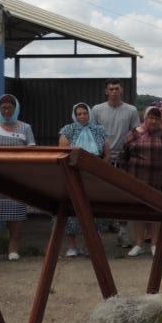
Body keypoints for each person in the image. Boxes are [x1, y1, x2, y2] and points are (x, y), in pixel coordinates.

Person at [0, 94, 36, 261]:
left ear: (16, 109)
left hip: (16, 179)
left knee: (16, 213)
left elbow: (32, 153)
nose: (7, 111)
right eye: (3, 108)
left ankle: (13, 247)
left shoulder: (25, 128)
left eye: (10, 107)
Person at [119, 105, 162, 256]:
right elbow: (123, 158)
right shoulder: (133, 134)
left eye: (156, 118)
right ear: (144, 118)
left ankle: (155, 243)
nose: (153, 121)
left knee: (157, 212)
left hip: (159, 181)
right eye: (150, 117)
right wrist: (123, 179)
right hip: (136, 181)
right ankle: (139, 244)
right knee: (138, 212)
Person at [91, 79, 140, 247]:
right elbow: (92, 133)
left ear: (122, 90)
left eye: (116, 89)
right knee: (99, 195)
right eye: (111, 89)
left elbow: (136, 133)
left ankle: (123, 232)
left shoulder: (131, 110)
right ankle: (96, 235)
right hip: (101, 159)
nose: (114, 92)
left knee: (123, 195)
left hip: (124, 159)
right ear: (106, 91)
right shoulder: (97, 110)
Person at [58, 102, 110, 256]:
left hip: (94, 176)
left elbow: (107, 154)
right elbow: (63, 153)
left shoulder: (99, 130)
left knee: (92, 210)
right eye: (79, 114)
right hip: (73, 175)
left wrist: (100, 170)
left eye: (85, 113)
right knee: (72, 209)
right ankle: (72, 246)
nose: (82, 116)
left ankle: (88, 246)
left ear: (89, 114)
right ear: (75, 115)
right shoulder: (67, 130)